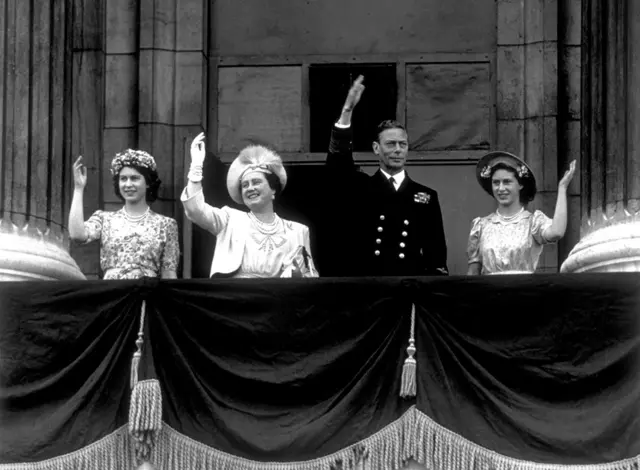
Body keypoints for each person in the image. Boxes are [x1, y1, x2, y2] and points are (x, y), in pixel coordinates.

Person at [324, 75, 449, 277]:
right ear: (376, 148)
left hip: (407, 287)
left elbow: (436, 255)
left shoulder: (425, 195)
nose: (398, 150)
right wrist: (346, 112)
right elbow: (338, 166)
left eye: (403, 144)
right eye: (390, 144)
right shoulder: (361, 188)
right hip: (370, 288)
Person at [180, 133, 319, 279]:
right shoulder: (230, 219)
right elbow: (195, 211)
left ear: (273, 190)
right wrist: (196, 168)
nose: (249, 188)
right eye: (245, 185)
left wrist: (297, 273)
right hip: (237, 297)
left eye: (256, 182)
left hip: (279, 299)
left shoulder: (298, 231)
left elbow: (310, 278)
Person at [68, 150, 180, 279]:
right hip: (113, 294)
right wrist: (78, 188)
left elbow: (169, 274)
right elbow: (77, 235)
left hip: (146, 295)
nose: (128, 184)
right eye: (123, 179)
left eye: (134, 178)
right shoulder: (105, 219)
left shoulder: (166, 225)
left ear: (148, 182)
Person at [467, 151, 576, 275]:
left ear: (520, 185)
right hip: (490, 292)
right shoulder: (481, 226)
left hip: (524, 290)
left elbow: (556, 232)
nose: (501, 188)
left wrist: (562, 188)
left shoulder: (533, 222)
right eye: (496, 182)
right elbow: (472, 274)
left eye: (507, 182)